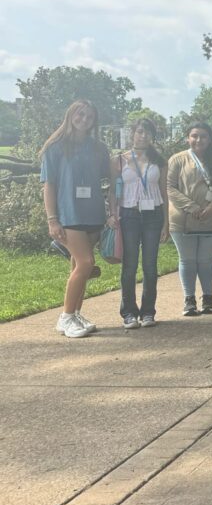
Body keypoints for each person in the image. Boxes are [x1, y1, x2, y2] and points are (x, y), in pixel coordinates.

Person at [41, 100, 110, 338]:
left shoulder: (99, 148)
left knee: (77, 264)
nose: (84, 120)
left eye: (90, 117)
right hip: (68, 214)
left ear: (94, 121)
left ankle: (76, 313)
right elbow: (48, 186)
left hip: (93, 212)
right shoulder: (55, 147)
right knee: (86, 262)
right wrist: (52, 219)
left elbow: (108, 177)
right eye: (80, 115)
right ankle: (66, 317)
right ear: (71, 115)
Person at [110, 118, 168, 329]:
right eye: (140, 132)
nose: (143, 136)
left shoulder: (159, 161)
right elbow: (113, 190)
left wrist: (166, 223)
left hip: (153, 216)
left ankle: (148, 312)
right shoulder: (119, 160)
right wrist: (112, 213)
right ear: (132, 133)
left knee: (150, 266)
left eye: (148, 133)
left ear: (153, 137)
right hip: (129, 215)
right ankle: (129, 312)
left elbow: (164, 192)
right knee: (130, 265)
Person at [167, 122, 212, 317]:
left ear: (210, 139)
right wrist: (191, 206)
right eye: (194, 136)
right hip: (182, 218)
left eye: (203, 136)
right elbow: (169, 187)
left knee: (205, 259)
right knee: (187, 259)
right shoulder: (177, 160)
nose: (198, 140)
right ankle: (189, 299)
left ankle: (208, 298)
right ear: (188, 138)